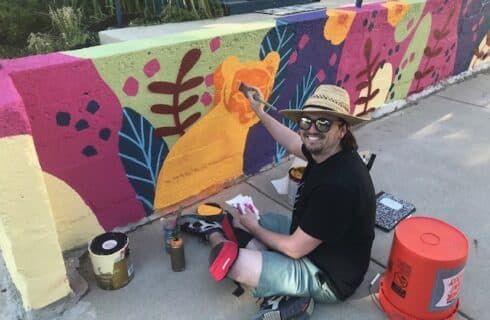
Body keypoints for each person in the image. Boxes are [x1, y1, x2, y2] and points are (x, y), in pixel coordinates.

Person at [179, 84, 376, 320]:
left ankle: (214, 232)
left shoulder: (339, 185)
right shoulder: (329, 151)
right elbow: (293, 143)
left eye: (323, 123)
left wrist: (255, 229)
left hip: (328, 276)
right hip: (318, 244)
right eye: (306, 122)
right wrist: (259, 111)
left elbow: (294, 249)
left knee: (234, 264)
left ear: (342, 129)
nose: (312, 130)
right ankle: (284, 289)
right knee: (258, 221)